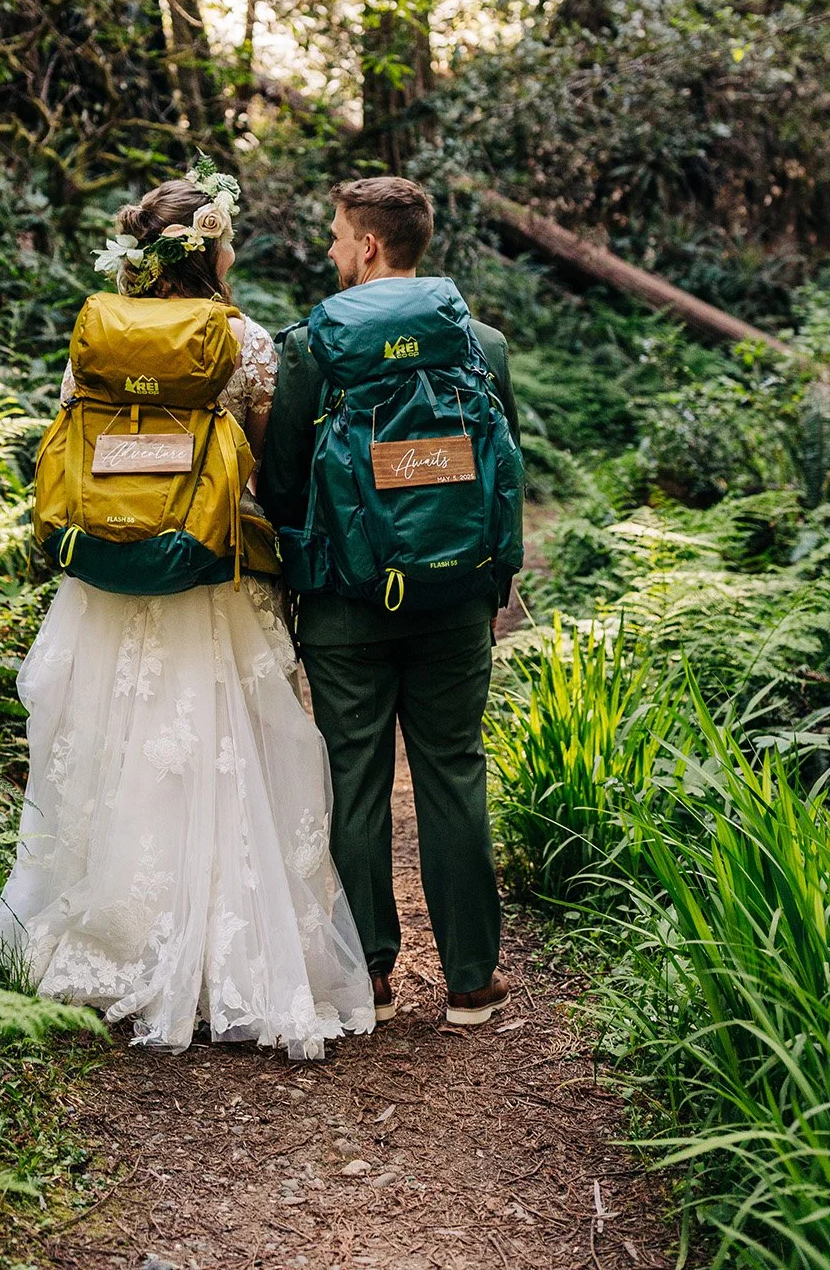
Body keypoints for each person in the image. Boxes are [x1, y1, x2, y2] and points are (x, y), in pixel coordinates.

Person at [0, 167, 373, 1061]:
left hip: (111, 583)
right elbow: (278, 467)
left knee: (113, 750)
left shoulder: (95, 338)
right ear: (211, 249)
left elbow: (67, 439)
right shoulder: (244, 341)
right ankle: (224, 960)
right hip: (214, 575)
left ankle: (110, 945)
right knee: (223, 750)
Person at [259, 176, 523, 1028]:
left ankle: (367, 969)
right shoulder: (480, 343)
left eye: (337, 236)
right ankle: (471, 979)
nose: (331, 250)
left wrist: (306, 577)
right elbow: (505, 475)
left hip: (344, 604)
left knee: (353, 777)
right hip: (454, 597)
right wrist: (491, 584)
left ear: (369, 244)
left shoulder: (310, 346)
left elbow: (286, 484)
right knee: (452, 771)